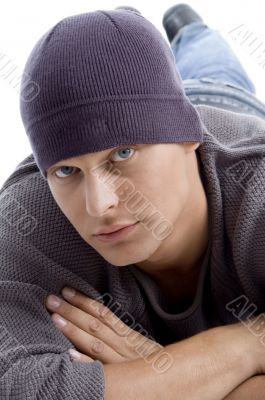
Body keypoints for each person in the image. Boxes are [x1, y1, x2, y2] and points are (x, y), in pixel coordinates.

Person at [1, 4, 265, 399]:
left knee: (213, 69)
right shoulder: (26, 222)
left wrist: (155, 382)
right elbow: (21, 389)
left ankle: (191, 32)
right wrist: (245, 346)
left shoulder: (256, 184)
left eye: (123, 154)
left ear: (187, 134)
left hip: (224, 108)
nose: (98, 205)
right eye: (66, 171)